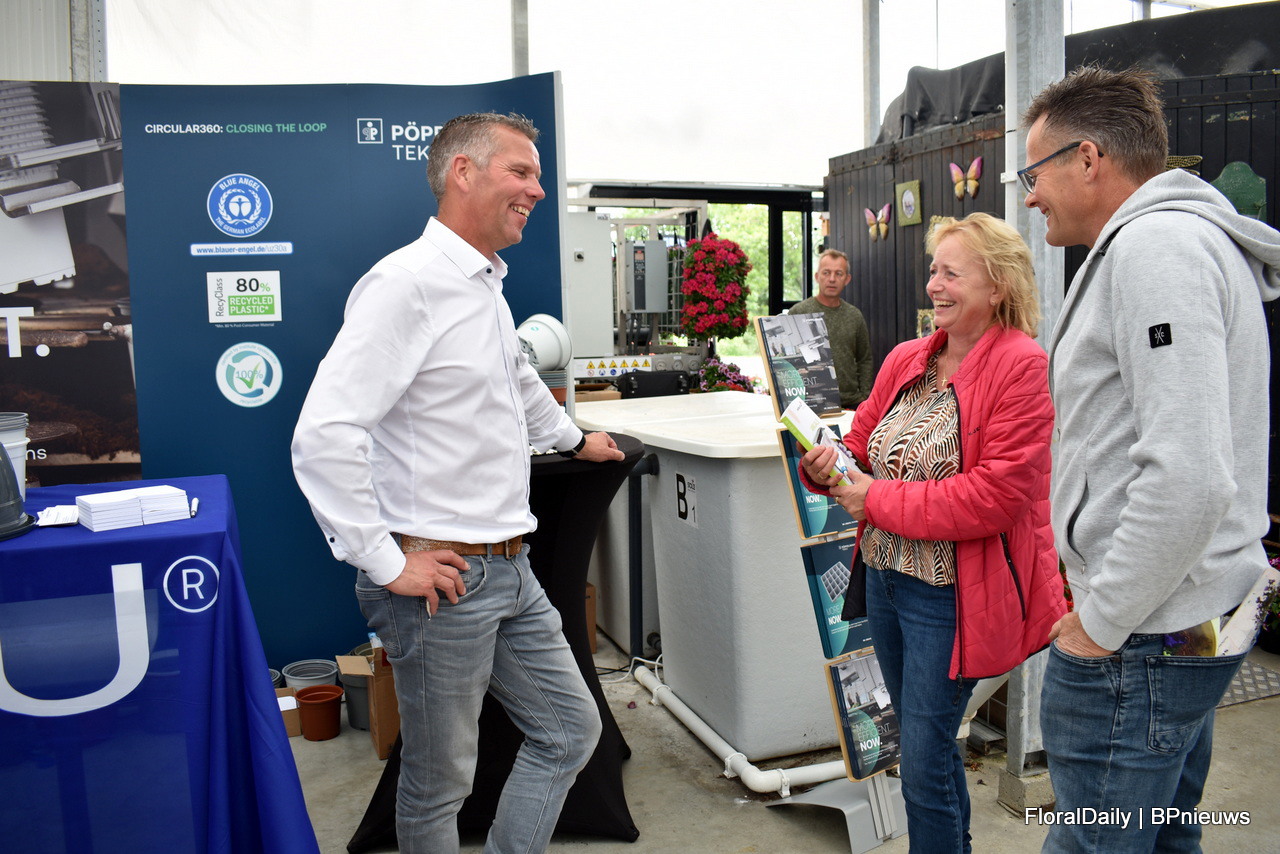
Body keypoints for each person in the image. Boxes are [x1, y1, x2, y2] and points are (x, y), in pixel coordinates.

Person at [291, 112, 625, 854]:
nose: (538, 190)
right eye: (521, 172)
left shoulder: (483, 285)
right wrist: (386, 561)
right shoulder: (406, 285)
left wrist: (575, 439)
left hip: (510, 566)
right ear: (462, 173)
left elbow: (518, 383)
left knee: (571, 731)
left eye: (538, 176)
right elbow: (324, 434)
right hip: (439, 579)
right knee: (439, 783)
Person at [1020, 66, 1280, 853]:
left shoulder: (1156, 250)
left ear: (1088, 158)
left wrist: (1100, 622)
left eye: (1034, 174)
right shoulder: (1172, 244)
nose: (1030, 197)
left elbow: (1189, 474)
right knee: (1164, 837)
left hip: (1142, 637)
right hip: (1176, 619)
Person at [801, 213, 1067, 853]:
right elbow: (861, 442)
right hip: (885, 580)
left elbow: (994, 498)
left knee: (920, 761)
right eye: (932, 271)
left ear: (997, 286)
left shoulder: (1021, 366)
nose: (934, 286)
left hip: (949, 596)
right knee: (928, 748)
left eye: (952, 273)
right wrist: (825, 463)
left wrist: (874, 497)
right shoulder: (907, 358)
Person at [789, 249, 873, 408]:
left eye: (838, 274)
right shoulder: (798, 313)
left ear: (847, 279)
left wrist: (865, 396)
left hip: (851, 403)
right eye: (826, 273)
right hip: (811, 403)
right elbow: (790, 362)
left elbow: (865, 359)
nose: (832, 279)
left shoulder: (854, 315)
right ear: (817, 276)